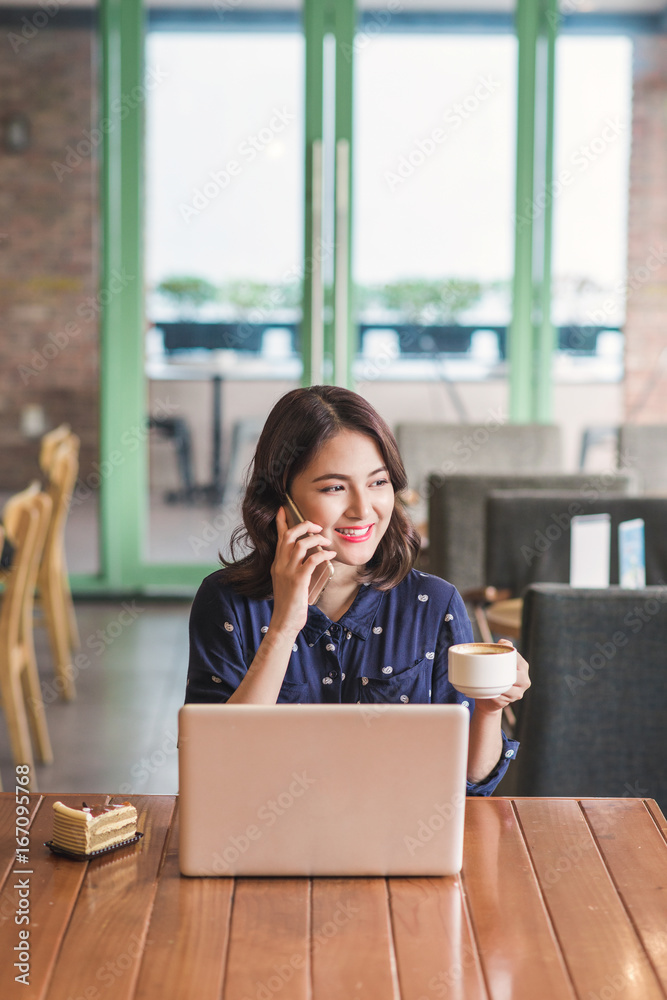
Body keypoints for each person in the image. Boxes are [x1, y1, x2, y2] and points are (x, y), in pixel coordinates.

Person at [186, 385, 530, 795]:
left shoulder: (434, 605)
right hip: (263, 843)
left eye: (377, 482)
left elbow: (469, 787)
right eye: (334, 487)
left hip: (403, 845)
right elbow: (215, 767)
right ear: (283, 497)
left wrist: (490, 710)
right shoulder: (226, 602)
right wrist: (283, 627)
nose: (363, 509)